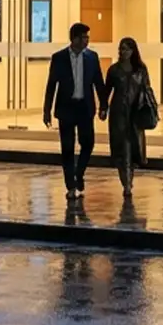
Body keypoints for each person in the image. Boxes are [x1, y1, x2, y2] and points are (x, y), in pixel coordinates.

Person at [42, 22, 109, 201]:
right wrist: (46, 110)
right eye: (84, 37)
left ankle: (78, 173)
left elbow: (98, 83)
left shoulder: (92, 57)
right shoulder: (59, 58)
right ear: (74, 38)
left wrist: (104, 105)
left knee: (88, 143)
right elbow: (51, 85)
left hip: (85, 107)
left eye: (88, 37)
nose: (87, 40)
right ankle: (70, 185)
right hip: (66, 108)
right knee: (67, 147)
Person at [106, 36, 155, 199]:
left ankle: (129, 178)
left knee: (132, 148)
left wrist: (151, 108)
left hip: (136, 112)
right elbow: (107, 92)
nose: (123, 52)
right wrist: (102, 108)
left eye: (126, 49)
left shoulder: (140, 69)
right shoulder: (114, 70)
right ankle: (126, 183)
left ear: (133, 51)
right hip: (118, 112)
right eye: (121, 48)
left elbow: (147, 89)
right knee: (121, 147)